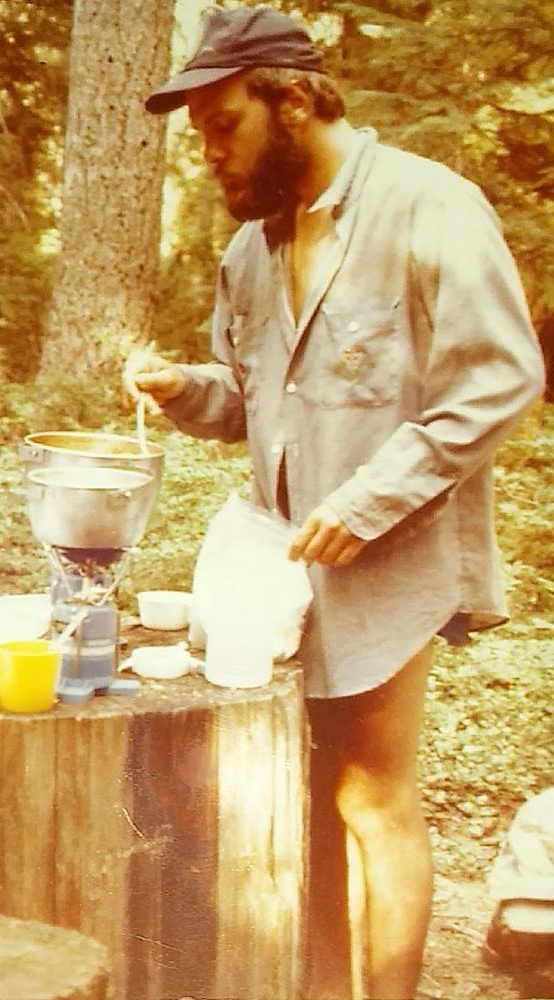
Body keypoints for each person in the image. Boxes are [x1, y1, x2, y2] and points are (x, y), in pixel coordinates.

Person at [123, 6, 545, 998]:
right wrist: (190, 390)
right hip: (285, 566)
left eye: (225, 125)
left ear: (298, 99)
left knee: (369, 795)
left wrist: (369, 498)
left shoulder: (425, 206)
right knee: (305, 797)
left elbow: (499, 375)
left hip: (394, 556)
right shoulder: (250, 251)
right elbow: (249, 406)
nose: (214, 156)